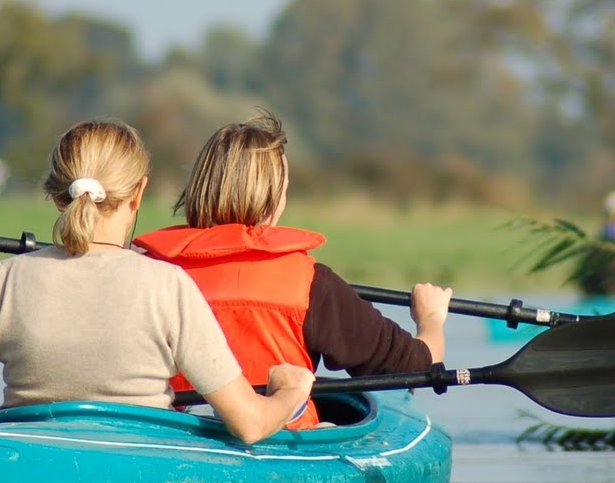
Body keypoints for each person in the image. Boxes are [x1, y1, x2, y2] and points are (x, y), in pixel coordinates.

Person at [0, 119, 314, 446]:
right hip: (138, 477)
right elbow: (249, 425)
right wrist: (289, 394)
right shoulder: (167, 285)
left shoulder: (7, 279)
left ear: (56, 194)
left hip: (31, 471)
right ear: (139, 193)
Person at [133, 110, 453, 430]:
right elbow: (415, 369)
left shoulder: (148, 271)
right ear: (273, 197)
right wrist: (431, 319)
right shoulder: (310, 283)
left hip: (176, 436)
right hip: (279, 441)